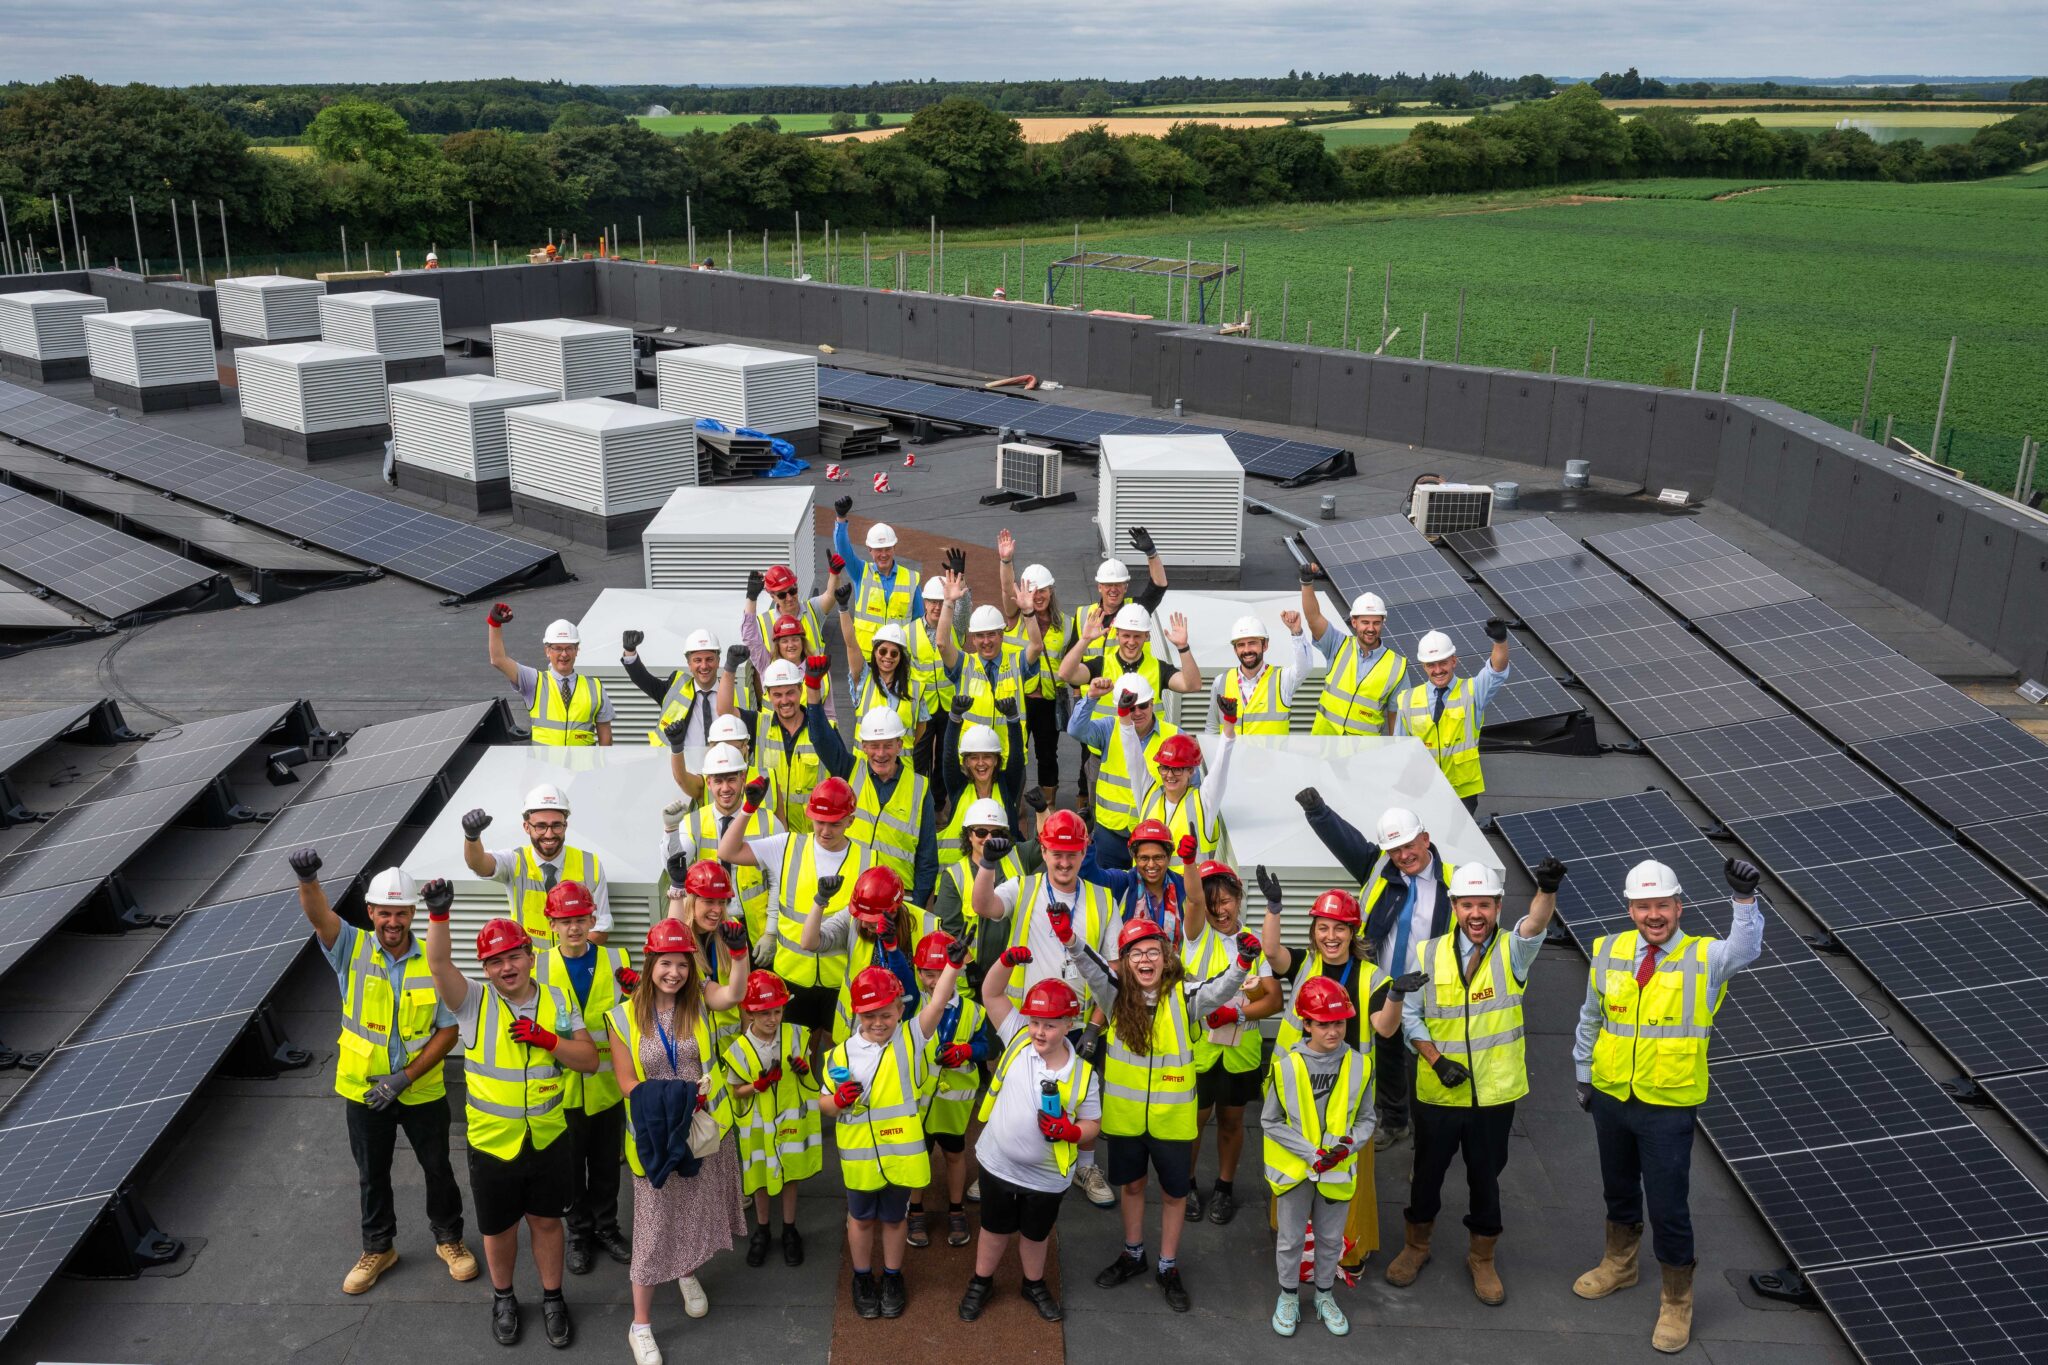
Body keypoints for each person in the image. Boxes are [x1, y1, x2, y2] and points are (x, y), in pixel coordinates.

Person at [1572, 856, 1764, 1354]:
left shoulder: (1706, 957)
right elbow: (1591, 1016)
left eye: (1662, 905)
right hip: (1612, 1094)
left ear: (1679, 907)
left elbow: (1746, 949)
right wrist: (1583, 1073)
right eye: (1643, 906)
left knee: (1668, 1206)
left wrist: (1744, 901)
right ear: (1630, 909)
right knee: (1617, 1188)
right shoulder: (1608, 949)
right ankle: (1620, 1264)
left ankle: (1677, 1301)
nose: (1653, 915)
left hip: (1668, 1105)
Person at [421, 888, 599, 1349]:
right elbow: (439, 964)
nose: (506, 967)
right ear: (485, 968)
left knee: (547, 1222)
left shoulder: (558, 1000)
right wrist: (439, 915)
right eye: (495, 961)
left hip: (548, 1139)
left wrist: (548, 1039)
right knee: (498, 1230)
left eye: (514, 956)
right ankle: (503, 1298)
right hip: (492, 1143)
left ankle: (553, 1298)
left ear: (531, 957)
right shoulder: (472, 1002)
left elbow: (589, 1060)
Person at [289, 853, 473, 1294]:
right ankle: (378, 1247)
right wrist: (308, 879)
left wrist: (405, 1077)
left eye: (401, 912)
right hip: (364, 1089)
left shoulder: (433, 960)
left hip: (420, 1090)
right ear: (370, 912)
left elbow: (448, 1031)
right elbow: (319, 917)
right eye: (385, 912)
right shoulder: (350, 946)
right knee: (372, 1173)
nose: (393, 921)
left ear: (412, 914)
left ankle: (449, 1239)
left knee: (438, 1168)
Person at [1389, 859, 1560, 1304]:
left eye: (1484, 904)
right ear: (1455, 908)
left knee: (1486, 1179)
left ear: (1499, 906)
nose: (1476, 914)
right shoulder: (1427, 953)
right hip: (1438, 1094)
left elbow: (1535, 925)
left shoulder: (1513, 951)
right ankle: (1416, 1246)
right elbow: (1411, 1016)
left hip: (1493, 1096)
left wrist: (1546, 889)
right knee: (1426, 1175)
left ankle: (1482, 1258)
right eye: (1467, 905)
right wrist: (1435, 1060)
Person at [1067, 915, 1254, 1312]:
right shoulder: (1114, 995)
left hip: (1172, 1122)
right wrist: (1068, 936)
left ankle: (1168, 1266)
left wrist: (1242, 963)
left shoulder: (1185, 997)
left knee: (1174, 1194)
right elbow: (1090, 965)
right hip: (1126, 1120)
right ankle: (1133, 1254)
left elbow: (1220, 988)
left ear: (1166, 957)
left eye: (1153, 951)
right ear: (1125, 961)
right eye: (1136, 953)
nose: (1145, 959)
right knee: (1133, 1187)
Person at [608, 914, 749, 1363]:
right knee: (652, 1231)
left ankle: (686, 1270)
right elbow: (627, 1083)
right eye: (666, 963)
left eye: (683, 964)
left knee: (693, 1210)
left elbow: (735, 994)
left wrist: (739, 955)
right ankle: (640, 1326)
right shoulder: (621, 1016)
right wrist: (678, 1098)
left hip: (702, 1133)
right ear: (650, 962)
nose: (675, 973)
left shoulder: (700, 1001)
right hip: (656, 1137)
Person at [1258, 876, 1414, 1273]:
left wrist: (1396, 996)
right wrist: (1273, 908)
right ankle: (1295, 1245)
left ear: (1353, 932)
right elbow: (1271, 951)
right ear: (1314, 931)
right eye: (1323, 927)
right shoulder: (1304, 965)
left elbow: (1385, 1028)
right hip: (1298, 1091)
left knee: (1346, 1177)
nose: (1331, 936)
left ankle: (1347, 1251)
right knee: (1294, 1168)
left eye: (1340, 928)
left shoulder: (1372, 977)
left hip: (1345, 1095)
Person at [971, 808, 1120, 1209]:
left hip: (1078, 1021)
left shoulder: (1103, 900)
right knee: (1014, 1088)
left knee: (1082, 1096)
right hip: (1027, 1019)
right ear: (1044, 849)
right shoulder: (1024, 887)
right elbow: (983, 906)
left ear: (1085, 851)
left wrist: (1095, 1026)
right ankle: (999, 1161)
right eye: (1057, 853)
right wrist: (987, 865)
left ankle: (1084, 1166)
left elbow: (1113, 972)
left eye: (1072, 854)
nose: (1064, 862)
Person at [1294, 794, 1453, 1152]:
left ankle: (1426, 1140)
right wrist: (1317, 811)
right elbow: (1344, 840)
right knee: (1387, 1053)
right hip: (1382, 986)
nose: (1403, 856)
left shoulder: (1451, 883)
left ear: (1425, 839)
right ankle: (1395, 1122)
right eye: (1395, 850)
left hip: (1428, 990)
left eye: (1409, 846)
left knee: (1423, 1063)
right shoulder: (1380, 869)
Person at [822, 952, 969, 1320]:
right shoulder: (839, 1055)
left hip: (900, 1158)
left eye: (886, 1014)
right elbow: (825, 1105)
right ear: (856, 1013)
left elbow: (938, 1002)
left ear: (901, 1010)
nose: (878, 1022)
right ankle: (861, 1277)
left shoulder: (911, 1038)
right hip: (860, 1160)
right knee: (860, 1219)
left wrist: (952, 966)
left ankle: (891, 1276)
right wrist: (837, 1101)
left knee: (893, 1219)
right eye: (869, 1015)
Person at [958, 960, 1099, 1324]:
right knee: (993, 1229)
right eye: (1035, 1022)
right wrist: (1005, 962)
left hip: (1046, 1177)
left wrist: (1072, 1132)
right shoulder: (1018, 1037)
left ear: (1069, 1024)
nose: (1038, 1031)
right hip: (998, 1165)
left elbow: (1092, 1124)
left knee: (1036, 1235)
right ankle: (981, 1281)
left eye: (1049, 1025)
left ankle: (1033, 1284)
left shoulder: (1084, 1074)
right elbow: (991, 992)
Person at [718, 775, 873, 1039]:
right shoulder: (787, 845)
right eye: (819, 821)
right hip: (791, 978)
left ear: (850, 820)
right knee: (794, 1052)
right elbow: (727, 852)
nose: (825, 831)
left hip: (841, 981)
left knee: (837, 1054)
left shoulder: (869, 859)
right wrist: (748, 808)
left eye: (834, 823)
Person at [1263, 974, 1375, 1339]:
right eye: (1324, 1024)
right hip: (1295, 1171)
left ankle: (1324, 1296)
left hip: (1337, 1170)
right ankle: (1288, 1297)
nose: (1333, 1031)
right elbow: (1270, 1121)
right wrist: (1311, 1154)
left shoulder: (1361, 1065)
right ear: (1306, 1024)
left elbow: (1367, 1119)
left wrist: (1347, 1147)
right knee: (1291, 1239)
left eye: (1339, 1022)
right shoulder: (1286, 1067)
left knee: (1330, 1240)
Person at [531, 881, 633, 1277]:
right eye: (565, 921)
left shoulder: (617, 959)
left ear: (593, 919)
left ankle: (607, 1227)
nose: (573, 928)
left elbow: (632, 1016)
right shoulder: (538, 965)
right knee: (570, 1169)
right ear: (552, 925)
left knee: (606, 1167)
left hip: (608, 1087)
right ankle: (578, 1233)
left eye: (580, 919)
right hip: (562, 1089)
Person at [1178, 861, 1279, 1228]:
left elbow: (1274, 1000)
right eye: (1211, 903)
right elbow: (1193, 903)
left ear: (1238, 898)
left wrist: (1237, 1014)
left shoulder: (1252, 941)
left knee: (1232, 1122)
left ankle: (1224, 1187)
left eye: (1225, 901)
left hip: (1241, 1051)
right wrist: (1189, 863)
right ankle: (1186, 1185)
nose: (1219, 910)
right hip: (1199, 1051)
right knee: (1193, 1122)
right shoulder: (1196, 934)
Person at [1064, 538, 1171, 814]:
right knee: (1088, 766)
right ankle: (1088, 809)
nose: (1113, 590)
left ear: (1126, 587)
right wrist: (1078, 697)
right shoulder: (1085, 615)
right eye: (1108, 585)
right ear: (1099, 587)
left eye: (1119, 585)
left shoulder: (1136, 611)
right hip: (1096, 714)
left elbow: (1159, 586)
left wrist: (1151, 554)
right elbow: (1072, 661)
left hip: (1134, 716)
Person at [723, 969, 821, 1270]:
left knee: (789, 1173)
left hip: (791, 1121)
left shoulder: (797, 1035)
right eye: (764, 1013)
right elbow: (736, 1090)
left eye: (777, 1011)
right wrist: (758, 1085)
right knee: (761, 1178)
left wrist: (804, 1069)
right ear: (749, 1012)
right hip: (758, 1125)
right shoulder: (739, 1049)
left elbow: (808, 1076)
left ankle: (790, 1230)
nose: (772, 1019)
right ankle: (762, 1230)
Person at [807, 698, 937, 914]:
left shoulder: (919, 788)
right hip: (852, 893)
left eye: (888, 745)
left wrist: (914, 908)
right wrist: (813, 693)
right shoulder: (850, 771)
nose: (881, 753)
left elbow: (927, 859)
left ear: (899, 745)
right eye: (874, 746)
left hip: (897, 900)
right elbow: (820, 738)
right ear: (864, 747)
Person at [908, 930, 989, 1251]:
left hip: (953, 1106)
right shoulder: (911, 1005)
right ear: (918, 972)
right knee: (918, 1156)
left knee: (955, 1155)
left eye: (941, 973)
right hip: (917, 1104)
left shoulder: (974, 1011)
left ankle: (956, 1209)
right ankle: (915, 1210)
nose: (934, 981)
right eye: (927, 973)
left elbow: (985, 1046)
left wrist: (967, 1051)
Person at [661, 741, 783, 941]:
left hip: (755, 931)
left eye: (731, 780)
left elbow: (778, 881)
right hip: (708, 926)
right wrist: (671, 831)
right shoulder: (694, 822)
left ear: (743, 778)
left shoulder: (769, 822)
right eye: (718, 781)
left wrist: (771, 931)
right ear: (708, 782)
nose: (725, 788)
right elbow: (673, 868)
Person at [462, 786, 613, 947]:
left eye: (556, 825)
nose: (549, 834)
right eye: (540, 826)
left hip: (574, 962)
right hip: (530, 963)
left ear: (565, 826)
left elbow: (601, 929)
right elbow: (478, 864)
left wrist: (567, 958)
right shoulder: (515, 861)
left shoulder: (590, 864)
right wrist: (472, 837)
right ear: (526, 827)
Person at [1067, 669, 1183, 869]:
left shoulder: (1174, 736)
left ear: (1152, 703)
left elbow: (1192, 786)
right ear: (1119, 707)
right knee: (1107, 886)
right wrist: (1091, 697)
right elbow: (1075, 730)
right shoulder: (1108, 729)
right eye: (1130, 707)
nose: (1137, 713)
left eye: (1143, 705)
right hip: (1110, 833)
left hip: (1152, 835)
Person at [799, 864, 920, 1042]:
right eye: (861, 917)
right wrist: (820, 900)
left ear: (893, 911)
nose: (863, 924)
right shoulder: (853, 918)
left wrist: (892, 948)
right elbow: (809, 942)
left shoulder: (924, 925)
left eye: (871, 919)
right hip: (858, 1033)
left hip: (905, 1032)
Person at [1397, 624, 1512, 811]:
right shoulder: (1407, 700)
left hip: (1462, 794)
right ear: (1424, 666)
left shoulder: (1473, 691)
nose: (1438, 670)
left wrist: (1500, 642)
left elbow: (1496, 671)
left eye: (1443, 662)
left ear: (1454, 661)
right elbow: (1400, 749)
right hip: (1423, 791)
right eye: (1431, 665)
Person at [996, 531, 1071, 814]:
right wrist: (1006, 561)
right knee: (1014, 753)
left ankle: (1047, 806)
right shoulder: (1015, 617)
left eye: (1043, 591)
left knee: (1047, 756)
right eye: (1032, 591)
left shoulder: (1066, 624)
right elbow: (1006, 589)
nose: (1037, 596)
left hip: (1047, 701)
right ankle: (1015, 806)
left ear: (1051, 591)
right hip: (1017, 698)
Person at [939, 572, 1043, 775]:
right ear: (973, 639)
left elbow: (1037, 646)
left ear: (1001, 635)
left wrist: (1028, 612)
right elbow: (942, 644)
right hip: (972, 760)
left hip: (1009, 759)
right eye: (980, 636)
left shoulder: (1017, 663)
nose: (986, 641)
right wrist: (948, 603)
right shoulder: (963, 664)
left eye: (991, 634)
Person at [487, 606, 613, 746]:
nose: (564, 654)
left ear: (577, 650)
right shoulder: (534, 682)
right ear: (547, 651)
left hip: (584, 761)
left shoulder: (595, 687)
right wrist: (494, 623)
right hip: (544, 761)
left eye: (569, 648)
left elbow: (606, 738)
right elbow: (498, 660)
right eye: (558, 648)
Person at [724, 657, 823, 835]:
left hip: (813, 838)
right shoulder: (758, 725)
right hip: (772, 836)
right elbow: (724, 711)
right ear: (768, 695)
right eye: (777, 695)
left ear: (800, 690)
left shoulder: (823, 730)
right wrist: (730, 668)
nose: (784, 701)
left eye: (790, 693)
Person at [1297, 579, 1405, 737]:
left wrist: (1396, 747)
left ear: (1383, 623)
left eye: (1376, 623)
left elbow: (1396, 717)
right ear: (1354, 622)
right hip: (1325, 743)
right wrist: (1306, 583)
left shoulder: (1398, 665)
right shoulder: (1337, 644)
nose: (1371, 628)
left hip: (1364, 749)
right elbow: (1313, 618)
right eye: (1365, 622)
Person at [932, 795, 1036, 948]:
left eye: (996, 833)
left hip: (1018, 959)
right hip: (974, 962)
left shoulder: (1019, 856)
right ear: (969, 835)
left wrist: (1042, 811)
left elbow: (1046, 844)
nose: (988, 838)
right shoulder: (955, 876)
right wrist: (968, 961)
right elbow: (948, 933)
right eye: (981, 832)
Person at [743, 564, 842, 722]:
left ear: (802, 641)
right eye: (782, 595)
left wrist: (834, 573)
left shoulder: (821, 673)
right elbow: (750, 638)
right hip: (775, 734)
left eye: (792, 591)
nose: (791, 645)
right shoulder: (767, 665)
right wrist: (751, 598)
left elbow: (830, 714)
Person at [832, 497, 925, 657]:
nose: (883, 554)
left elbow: (919, 622)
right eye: (878, 549)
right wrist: (841, 518)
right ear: (869, 550)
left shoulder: (911, 579)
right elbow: (843, 550)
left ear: (894, 548)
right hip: (867, 659)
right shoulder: (861, 572)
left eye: (887, 549)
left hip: (897, 658)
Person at [933, 723, 1026, 879]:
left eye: (987, 756)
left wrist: (1013, 721)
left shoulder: (1006, 786)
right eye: (974, 757)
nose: (981, 763)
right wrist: (954, 720)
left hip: (1000, 879)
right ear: (966, 762)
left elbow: (1017, 757)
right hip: (959, 881)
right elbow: (948, 757)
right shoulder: (959, 786)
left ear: (996, 760)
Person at [1082, 820, 1198, 944]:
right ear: (1135, 858)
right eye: (1144, 858)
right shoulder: (1123, 883)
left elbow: (1197, 901)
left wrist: (1189, 861)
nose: (1151, 864)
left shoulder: (1182, 886)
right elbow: (1091, 876)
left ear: (1168, 857)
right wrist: (1086, 842)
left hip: (1176, 957)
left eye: (1158, 857)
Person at [1132, 721, 1232, 861]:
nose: (1170, 775)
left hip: (1189, 876)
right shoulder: (1149, 794)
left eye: (1177, 769)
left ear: (1191, 771)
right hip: (1144, 876)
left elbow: (1221, 767)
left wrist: (1229, 728)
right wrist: (1124, 718)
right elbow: (1132, 754)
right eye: (1165, 768)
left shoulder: (1203, 802)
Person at [1213, 613, 1314, 735]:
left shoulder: (1282, 680)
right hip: (1232, 749)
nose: (1246, 650)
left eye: (1252, 643)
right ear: (1235, 650)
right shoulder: (1220, 681)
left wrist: (1296, 632)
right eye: (1241, 645)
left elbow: (1305, 667)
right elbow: (1212, 726)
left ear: (1265, 645)